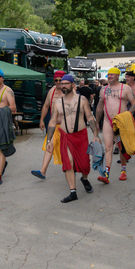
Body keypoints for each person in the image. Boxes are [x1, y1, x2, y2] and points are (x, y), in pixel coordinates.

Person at [45, 74, 99, 202]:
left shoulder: (82, 100)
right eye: (61, 83)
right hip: (66, 136)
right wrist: (49, 140)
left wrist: (95, 135)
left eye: (66, 83)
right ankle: (73, 191)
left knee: (85, 164)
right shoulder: (58, 103)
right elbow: (53, 121)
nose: (63, 85)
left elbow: (90, 117)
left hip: (80, 136)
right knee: (68, 162)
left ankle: (84, 179)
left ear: (72, 84)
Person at [94, 67, 135, 183]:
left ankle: (123, 171)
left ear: (118, 76)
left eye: (112, 74)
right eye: (108, 75)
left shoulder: (125, 88)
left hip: (121, 121)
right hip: (108, 121)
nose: (110, 76)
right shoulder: (103, 89)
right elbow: (99, 106)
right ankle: (106, 175)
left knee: (122, 147)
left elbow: (134, 103)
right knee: (108, 147)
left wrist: (128, 115)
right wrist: (97, 122)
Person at [31, 71, 64, 179]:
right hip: (54, 126)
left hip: (67, 127)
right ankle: (43, 171)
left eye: (60, 80)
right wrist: (41, 120)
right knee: (49, 146)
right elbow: (45, 106)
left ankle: (74, 169)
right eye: (56, 80)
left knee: (69, 149)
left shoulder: (70, 91)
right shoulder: (51, 91)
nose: (58, 82)